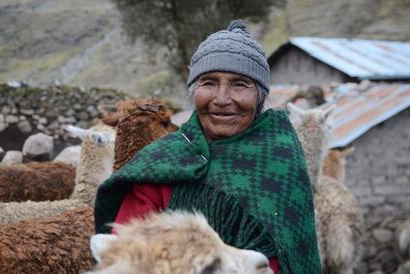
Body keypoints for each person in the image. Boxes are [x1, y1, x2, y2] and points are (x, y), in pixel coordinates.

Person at [94, 19, 322, 274]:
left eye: (239, 84)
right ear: (194, 90)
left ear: (260, 96)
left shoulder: (280, 162)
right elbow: (127, 258)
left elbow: (294, 255)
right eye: (209, 82)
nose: (222, 99)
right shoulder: (160, 165)